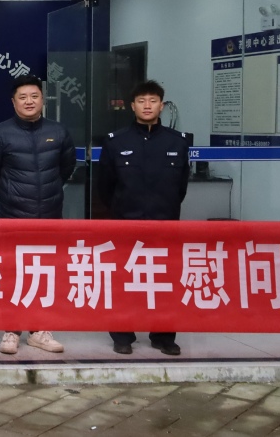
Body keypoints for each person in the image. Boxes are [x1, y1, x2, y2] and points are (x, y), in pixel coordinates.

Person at [0, 74, 76, 355]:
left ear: (43, 100)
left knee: (45, 273)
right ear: (13, 102)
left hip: (50, 215)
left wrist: (49, 191)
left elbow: (67, 167)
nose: (29, 101)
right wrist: (11, 194)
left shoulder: (58, 132)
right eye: (23, 97)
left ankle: (40, 330)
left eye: (34, 96)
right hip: (14, 216)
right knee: (13, 272)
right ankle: (11, 330)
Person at [97, 80, 190, 357]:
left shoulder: (177, 142)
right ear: (132, 106)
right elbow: (105, 187)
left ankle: (163, 336)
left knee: (166, 281)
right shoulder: (116, 141)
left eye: (153, 101)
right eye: (141, 101)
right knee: (124, 281)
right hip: (126, 224)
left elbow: (181, 187)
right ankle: (122, 335)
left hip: (165, 224)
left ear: (161, 106)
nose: (147, 106)